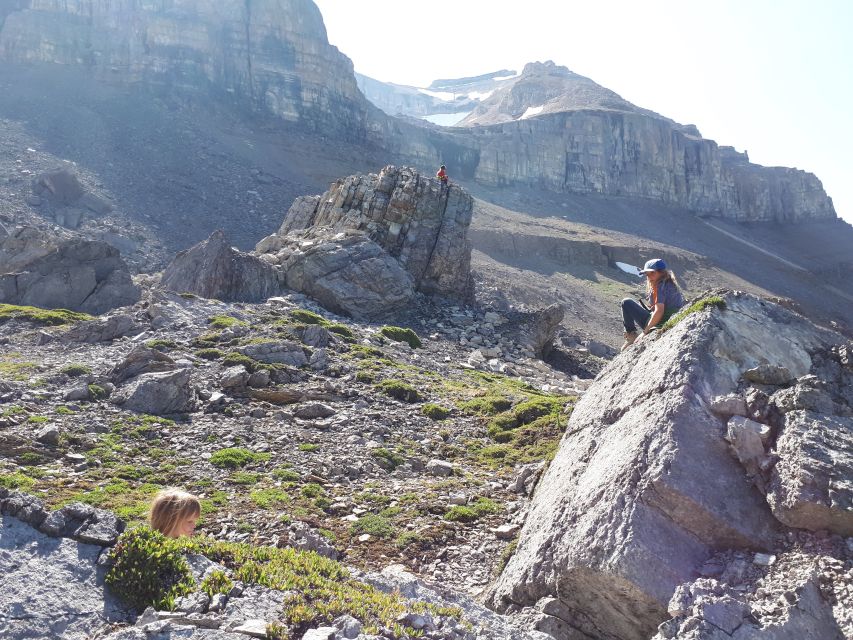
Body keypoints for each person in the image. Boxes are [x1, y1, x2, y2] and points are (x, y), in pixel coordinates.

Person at [620, 258, 684, 351]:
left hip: (659, 323)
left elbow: (659, 311)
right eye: (647, 274)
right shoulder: (671, 284)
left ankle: (631, 335)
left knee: (626, 302)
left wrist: (645, 332)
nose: (649, 277)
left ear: (662, 272)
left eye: (652, 273)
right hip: (669, 320)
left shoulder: (659, 286)